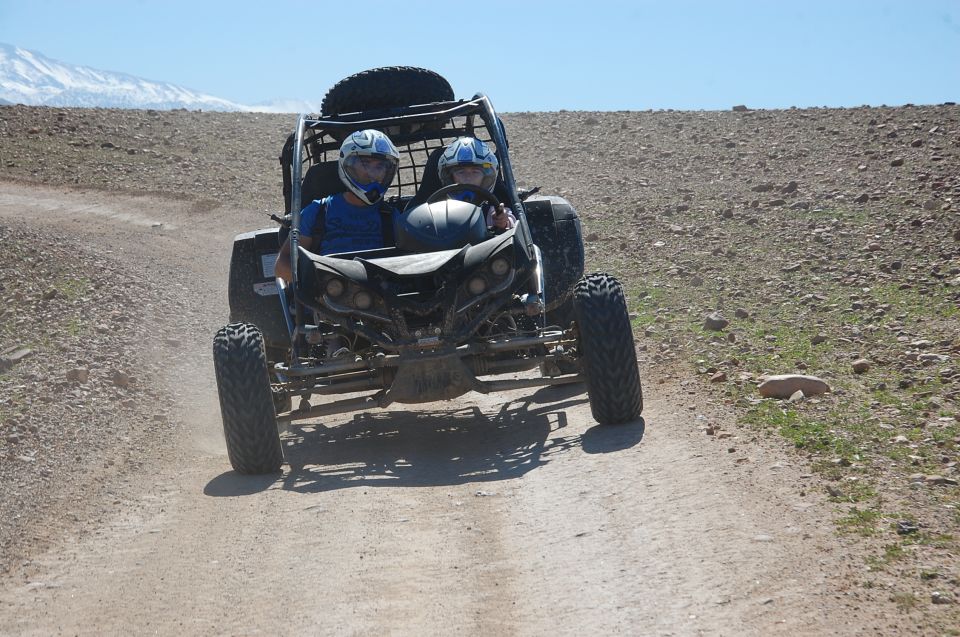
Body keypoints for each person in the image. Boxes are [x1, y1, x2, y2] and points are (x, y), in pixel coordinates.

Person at [274, 129, 401, 282]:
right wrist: (318, 281)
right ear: (348, 166)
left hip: (381, 297)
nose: (372, 174)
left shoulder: (391, 217)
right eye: (365, 164)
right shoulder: (318, 211)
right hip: (327, 296)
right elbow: (282, 264)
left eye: (380, 167)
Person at [437, 137, 517, 232]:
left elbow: (511, 222)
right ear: (450, 177)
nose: (468, 178)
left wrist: (502, 222)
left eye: (475, 172)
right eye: (461, 172)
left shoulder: (493, 213)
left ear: (485, 178)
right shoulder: (438, 212)